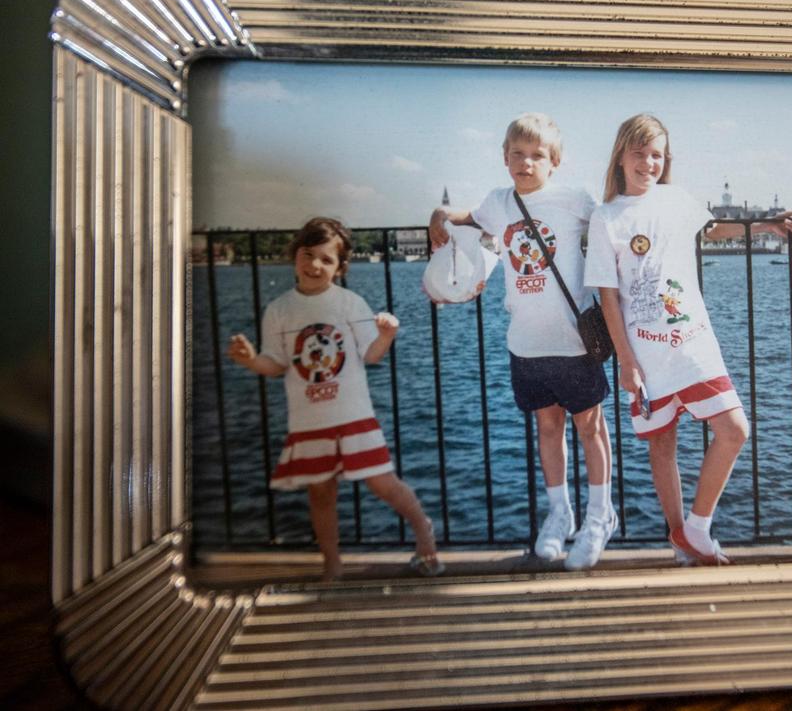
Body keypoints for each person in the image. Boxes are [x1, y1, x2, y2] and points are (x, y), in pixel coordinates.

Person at [584, 114, 792, 565]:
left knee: (734, 430)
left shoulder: (676, 199)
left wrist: (767, 224)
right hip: (646, 354)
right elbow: (608, 298)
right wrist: (626, 361)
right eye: (639, 153)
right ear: (621, 156)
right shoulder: (606, 217)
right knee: (662, 444)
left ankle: (697, 528)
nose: (649, 163)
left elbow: (714, 230)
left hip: (693, 343)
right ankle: (680, 539)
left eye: (657, 155)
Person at [429, 112, 616, 570]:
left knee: (590, 428)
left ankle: (599, 515)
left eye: (537, 155)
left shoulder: (574, 199)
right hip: (526, 344)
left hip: (574, 342)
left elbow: (616, 224)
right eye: (518, 154)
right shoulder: (499, 202)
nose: (526, 163)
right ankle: (560, 514)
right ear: (505, 157)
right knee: (548, 428)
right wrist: (441, 213)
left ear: (555, 162)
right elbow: (468, 217)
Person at [228, 217, 442, 581]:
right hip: (309, 421)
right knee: (321, 493)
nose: (314, 265)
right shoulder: (279, 309)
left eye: (326, 259)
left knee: (383, 484)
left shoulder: (349, 303)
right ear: (295, 255)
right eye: (308, 254)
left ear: (340, 268)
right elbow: (275, 363)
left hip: (353, 415)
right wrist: (250, 360)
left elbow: (370, 354)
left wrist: (386, 336)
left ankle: (424, 530)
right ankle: (332, 562)